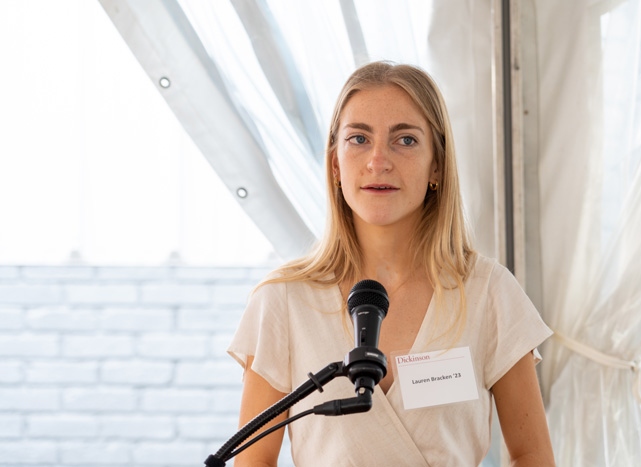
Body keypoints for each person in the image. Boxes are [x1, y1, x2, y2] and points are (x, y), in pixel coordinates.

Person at [227, 61, 555, 466]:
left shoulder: (489, 293)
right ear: (335, 164)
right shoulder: (282, 302)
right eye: (359, 139)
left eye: (405, 140)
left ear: (437, 164)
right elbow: (253, 461)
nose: (378, 160)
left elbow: (533, 456)